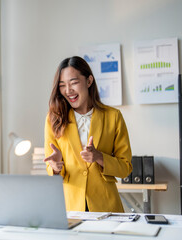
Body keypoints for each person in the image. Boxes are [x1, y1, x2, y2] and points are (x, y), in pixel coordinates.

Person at [44, 56, 132, 212]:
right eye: (62, 85)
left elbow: (125, 168)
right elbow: (51, 168)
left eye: (74, 82)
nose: (68, 90)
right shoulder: (54, 119)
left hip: (106, 206)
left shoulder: (113, 116)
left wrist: (99, 157)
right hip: (69, 206)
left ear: (89, 81)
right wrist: (56, 168)